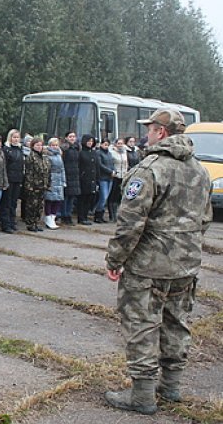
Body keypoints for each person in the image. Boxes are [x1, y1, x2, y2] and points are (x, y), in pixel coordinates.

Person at [104, 108, 212, 415]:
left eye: (150, 127)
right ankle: (171, 386)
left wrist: (115, 259)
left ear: (161, 132)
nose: (147, 132)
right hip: (186, 265)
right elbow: (205, 218)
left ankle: (142, 395)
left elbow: (130, 223)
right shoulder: (199, 170)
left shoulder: (149, 169)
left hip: (148, 266)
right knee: (177, 322)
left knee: (142, 325)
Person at [0, 129, 24, 233]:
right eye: (14, 137)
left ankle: (12, 221)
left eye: (17, 137)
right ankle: (5, 224)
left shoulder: (20, 149)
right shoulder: (6, 149)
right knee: (6, 202)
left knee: (14, 202)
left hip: (17, 179)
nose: (16, 139)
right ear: (10, 138)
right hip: (9, 179)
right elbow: (5, 166)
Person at [22, 138, 50, 232]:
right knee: (31, 206)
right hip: (33, 186)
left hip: (43, 185)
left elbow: (48, 171)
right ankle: (30, 223)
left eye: (40, 145)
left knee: (39, 206)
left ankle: (36, 222)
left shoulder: (44, 157)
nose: (39, 147)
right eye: (37, 145)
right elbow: (29, 173)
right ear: (33, 146)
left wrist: (48, 184)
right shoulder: (31, 157)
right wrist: (29, 186)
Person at [43, 137, 65, 230]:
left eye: (56, 145)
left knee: (58, 200)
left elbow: (62, 169)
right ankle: (48, 217)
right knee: (49, 199)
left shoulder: (59, 155)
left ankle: (53, 217)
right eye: (53, 145)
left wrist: (64, 181)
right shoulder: (47, 155)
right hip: (51, 178)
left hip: (59, 179)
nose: (55, 147)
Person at [59, 131, 80, 226]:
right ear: (66, 138)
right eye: (70, 136)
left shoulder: (77, 148)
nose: (72, 138)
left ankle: (69, 214)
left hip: (75, 175)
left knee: (72, 196)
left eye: (74, 136)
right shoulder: (64, 149)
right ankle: (63, 215)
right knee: (65, 196)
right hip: (66, 174)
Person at [77, 134, 98, 226]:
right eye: (88, 141)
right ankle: (81, 217)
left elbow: (97, 166)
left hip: (92, 178)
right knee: (82, 199)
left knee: (89, 198)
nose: (90, 143)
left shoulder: (94, 152)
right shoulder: (81, 153)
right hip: (84, 178)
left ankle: (85, 216)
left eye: (91, 141)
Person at [95, 139, 116, 223]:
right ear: (101, 144)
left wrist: (114, 171)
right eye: (104, 144)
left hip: (110, 178)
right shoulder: (98, 153)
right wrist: (110, 171)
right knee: (103, 196)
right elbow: (100, 165)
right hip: (102, 177)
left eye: (107, 144)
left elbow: (112, 164)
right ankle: (97, 213)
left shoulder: (109, 153)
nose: (106, 146)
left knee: (106, 197)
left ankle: (101, 215)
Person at [108, 137, 129, 222]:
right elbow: (110, 163)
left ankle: (117, 214)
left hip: (123, 176)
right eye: (118, 143)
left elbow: (126, 163)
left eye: (121, 143)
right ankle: (111, 215)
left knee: (119, 196)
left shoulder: (125, 152)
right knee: (112, 195)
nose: (120, 145)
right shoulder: (112, 153)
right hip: (115, 176)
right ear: (115, 144)